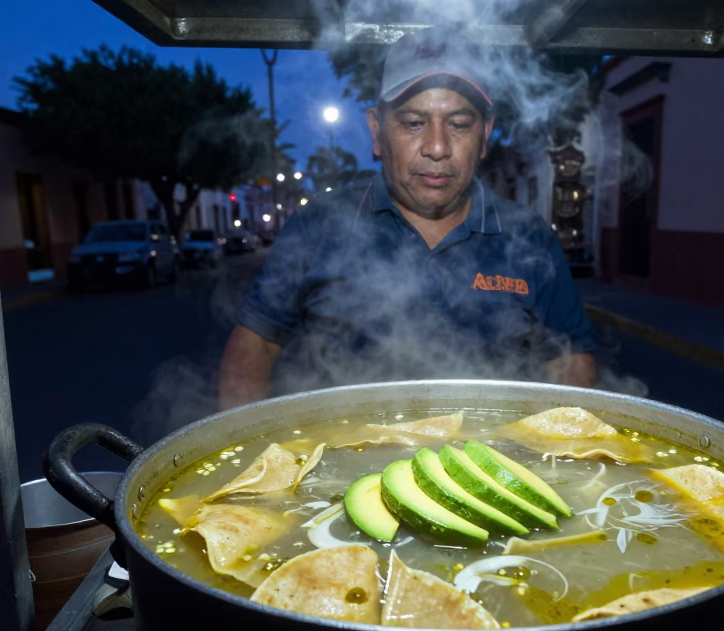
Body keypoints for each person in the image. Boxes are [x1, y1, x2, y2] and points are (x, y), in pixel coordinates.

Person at [218, 28, 598, 410]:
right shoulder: (317, 224)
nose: (436, 147)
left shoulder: (529, 235)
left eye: (459, 124)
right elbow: (257, 341)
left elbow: (569, 359)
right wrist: (245, 452)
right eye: (414, 123)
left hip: (487, 457)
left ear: (484, 134)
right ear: (377, 131)